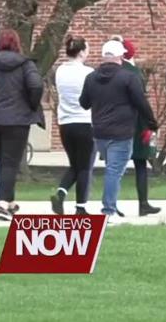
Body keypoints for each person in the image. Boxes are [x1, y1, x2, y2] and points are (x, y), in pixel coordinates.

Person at [80, 40, 158, 221]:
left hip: (99, 131)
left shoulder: (91, 77)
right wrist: (152, 123)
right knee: (114, 171)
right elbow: (141, 102)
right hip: (122, 131)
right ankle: (109, 209)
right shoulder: (128, 77)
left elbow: (84, 103)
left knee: (111, 168)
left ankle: (110, 206)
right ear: (119, 56)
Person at [0, 29, 44, 221]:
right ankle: (4, 203)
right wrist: (30, 105)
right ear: (17, 44)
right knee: (10, 162)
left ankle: (9, 200)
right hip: (17, 120)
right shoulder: (25, 64)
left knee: (2, 160)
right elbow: (36, 85)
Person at [112, 37, 160, 216]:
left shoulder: (110, 71)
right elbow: (140, 100)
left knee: (116, 167)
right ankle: (143, 203)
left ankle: (112, 202)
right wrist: (151, 122)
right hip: (137, 123)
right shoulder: (133, 73)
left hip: (115, 122)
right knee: (140, 163)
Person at [50, 35, 95, 215]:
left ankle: (61, 194)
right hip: (85, 122)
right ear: (82, 52)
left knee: (74, 165)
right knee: (84, 166)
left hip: (66, 123)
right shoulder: (88, 73)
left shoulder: (60, 71)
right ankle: (81, 207)